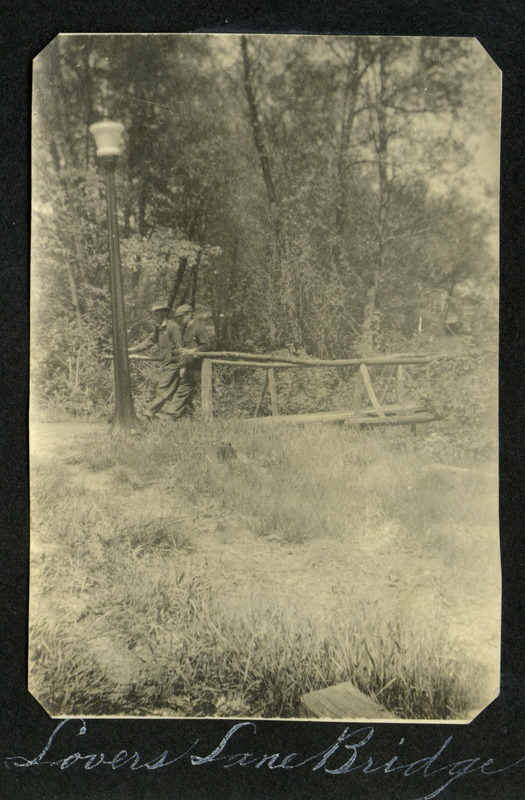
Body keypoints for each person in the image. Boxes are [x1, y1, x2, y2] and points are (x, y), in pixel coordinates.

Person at [128, 300, 182, 419]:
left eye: (156, 314)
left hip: (175, 363)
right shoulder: (159, 328)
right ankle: (171, 415)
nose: (154, 316)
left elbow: (180, 348)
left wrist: (182, 366)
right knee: (173, 389)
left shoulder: (173, 327)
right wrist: (133, 350)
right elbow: (150, 341)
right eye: (154, 314)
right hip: (167, 363)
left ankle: (148, 414)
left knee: (163, 388)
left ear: (163, 314)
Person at [161, 303, 210, 418]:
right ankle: (170, 414)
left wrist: (193, 351)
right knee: (183, 389)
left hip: (200, 367)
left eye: (181, 316)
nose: (179, 319)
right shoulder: (184, 330)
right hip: (189, 366)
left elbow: (207, 346)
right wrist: (183, 365)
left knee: (207, 389)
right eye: (178, 317)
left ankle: (216, 414)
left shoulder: (198, 328)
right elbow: (183, 349)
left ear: (190, 314)